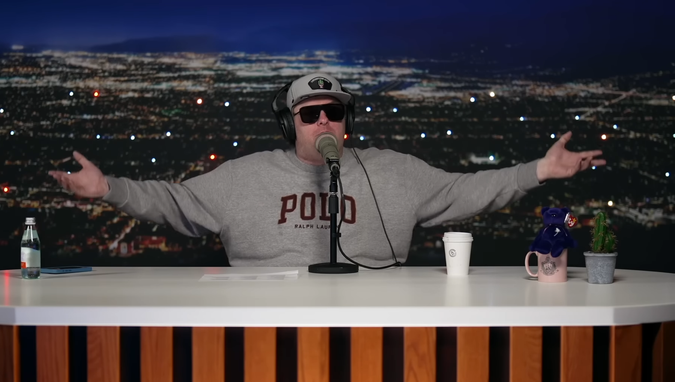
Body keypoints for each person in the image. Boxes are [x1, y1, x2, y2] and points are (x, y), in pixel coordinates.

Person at [49, 72, 606, 268]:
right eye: (308, 114)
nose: (322, 121)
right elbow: (173, 203)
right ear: (289, 125)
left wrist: (538, 170)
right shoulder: (242, 176)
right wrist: (108, 190)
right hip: (259, 334)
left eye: (333, 112)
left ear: (347, 122)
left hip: (377, 331)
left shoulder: (395, 172)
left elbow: (468, 191)